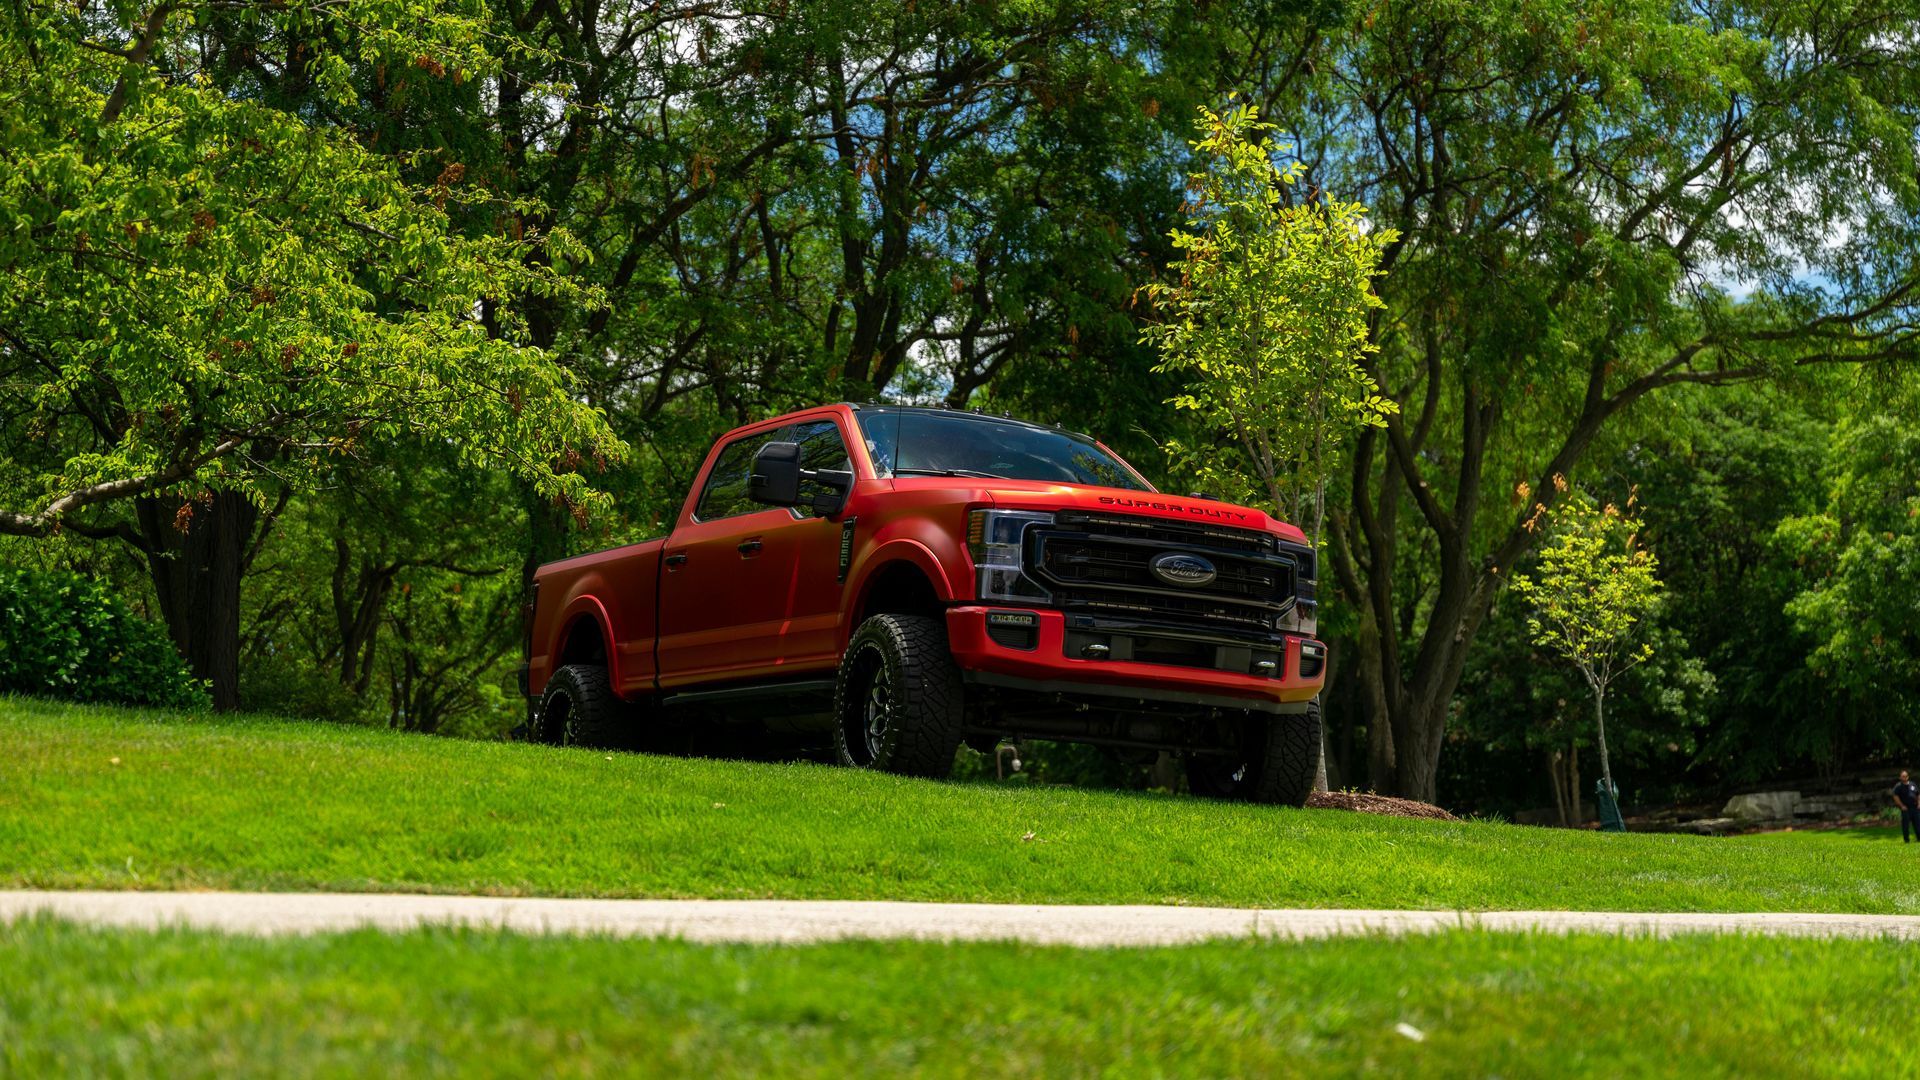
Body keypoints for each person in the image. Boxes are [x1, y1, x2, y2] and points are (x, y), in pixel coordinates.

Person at [1893, 771, 1920, 843]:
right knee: (1906, 826)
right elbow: (1895, 797)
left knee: (1918, 824)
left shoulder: (1913, 784)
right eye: (1903, 776)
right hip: (1906, 809)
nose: (1904, 777)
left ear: (1908, 776)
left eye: (1906, 776)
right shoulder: (1898, 786)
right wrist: (1902, 806)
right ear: (1900, 777)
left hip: (1915, 808)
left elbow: (1918, 794)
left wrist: (1919, 804)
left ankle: (1919, 838)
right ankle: (1906, 840)